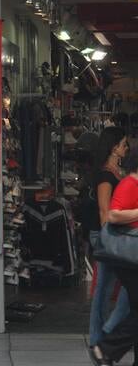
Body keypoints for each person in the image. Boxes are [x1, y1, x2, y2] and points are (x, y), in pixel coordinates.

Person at [93, 147, 138, 365]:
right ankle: (106, 348)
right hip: (129, 255)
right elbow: (113, 214)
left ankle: (107, 349)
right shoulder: (130, 183)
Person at [89, 128, 131, 359]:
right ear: (114, 147)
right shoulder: (107, 175)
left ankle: (103, 336)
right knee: (106, 290)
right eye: (123, 144)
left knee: (116, 290)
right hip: (110, 238)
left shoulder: (115, 172)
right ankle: (100, 336)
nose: (126, 148)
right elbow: (105, 212)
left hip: (113, 237)